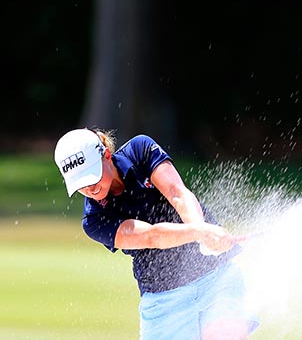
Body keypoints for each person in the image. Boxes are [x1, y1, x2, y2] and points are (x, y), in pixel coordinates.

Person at [53, 128, 259, 340]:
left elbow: (176, 193)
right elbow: (151, 236)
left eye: (92, 176)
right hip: (163, 299)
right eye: (81, 184)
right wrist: (200, 232)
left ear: (106, 155)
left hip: (217, 279)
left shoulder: (139, 150)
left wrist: (202, 231)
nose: (89, 189)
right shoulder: (94, 220)